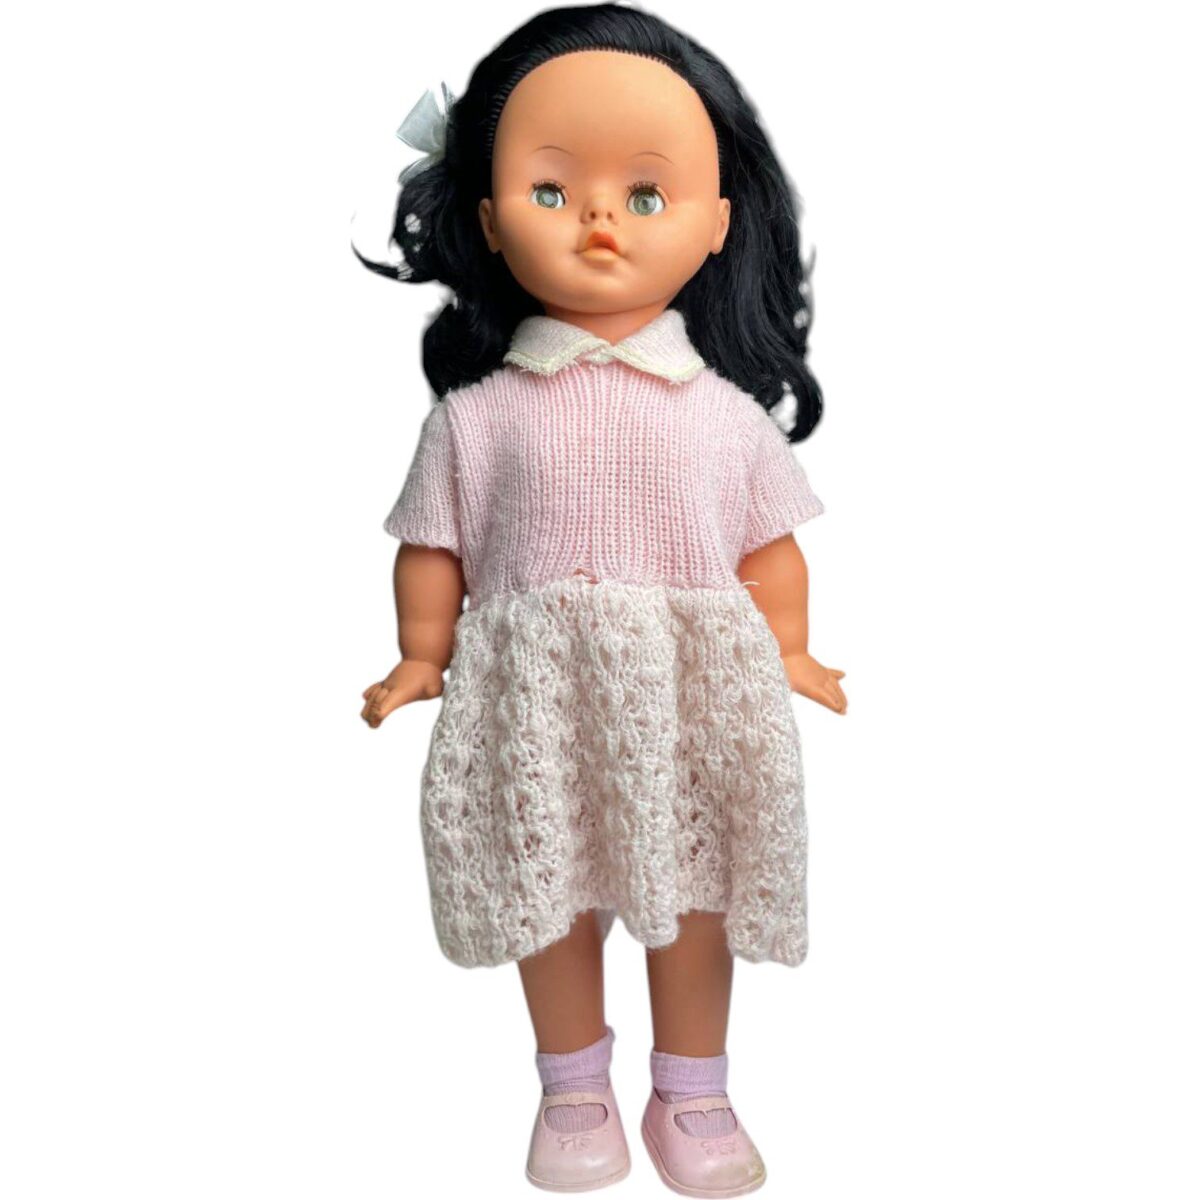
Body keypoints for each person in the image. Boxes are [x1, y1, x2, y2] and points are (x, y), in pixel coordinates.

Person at [353, 6, 847, 1194]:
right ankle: (573, 1088)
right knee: (549, 879)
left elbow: (771, 545)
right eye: (552, 190)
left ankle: (694, 1090)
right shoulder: (476, 419)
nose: (599, 221)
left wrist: (791, 647)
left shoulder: (724, 416)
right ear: (489, 219)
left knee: (700, 890)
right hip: (537, 700)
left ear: (716, 224)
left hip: (693, 699)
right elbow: (432, 547)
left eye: (645, 194)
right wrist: (421, 653)